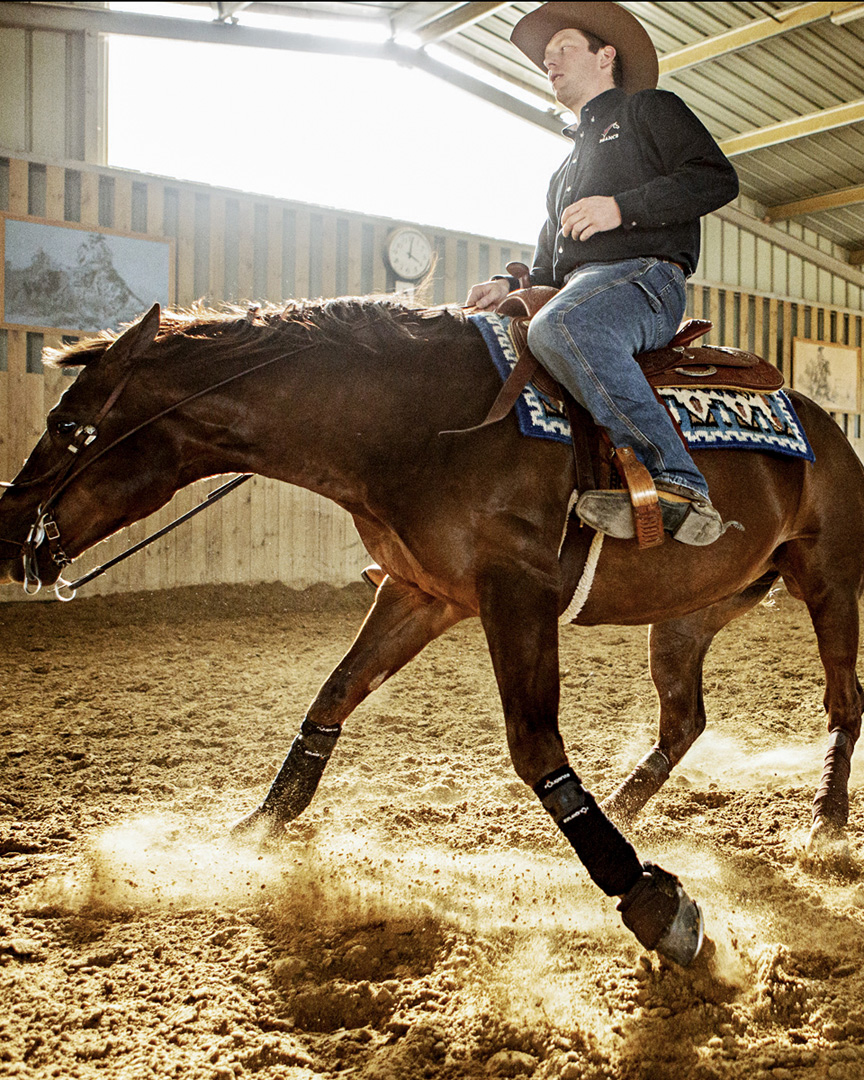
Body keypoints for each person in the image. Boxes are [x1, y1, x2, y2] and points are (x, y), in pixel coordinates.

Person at [468, 1, 740, 545]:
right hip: (581, 287)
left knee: (563, 327)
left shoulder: (650, 111)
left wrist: (621, 208)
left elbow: (716, 179)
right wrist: (507, 285)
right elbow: (547, 262)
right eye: (545, 58)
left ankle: (677, 481)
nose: (550, 62)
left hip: (645, 280)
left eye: (564, 48)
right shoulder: (562, 172)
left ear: (606, 55)